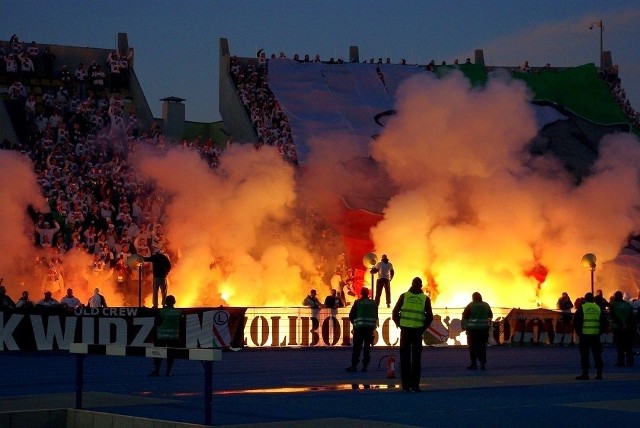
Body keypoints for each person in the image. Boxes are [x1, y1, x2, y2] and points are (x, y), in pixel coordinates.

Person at [392, 277, 433, 392]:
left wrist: (399, 324)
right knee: (416, 359)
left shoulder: (404, 296)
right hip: (417, 332)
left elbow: (395, 312)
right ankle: (415, 385)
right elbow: (429, 317)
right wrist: (422, 328)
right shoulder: (425, 299)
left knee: (404, 358)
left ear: (411, 284)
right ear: (421, 286)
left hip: (405, 331)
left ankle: (405, 385)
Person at [573, 292, 606, 380]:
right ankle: (599, 374)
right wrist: (599, 332)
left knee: (584, 355)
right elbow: (604, 322)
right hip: (595, 335)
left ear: (585, 299)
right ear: (593, 299)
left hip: (585, 335)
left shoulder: (582, 307)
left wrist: (579, 333)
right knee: (597, 354)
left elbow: (576, 321)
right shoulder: (598, 308)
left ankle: (585, 374)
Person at [346, 287, 378, 372]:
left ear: (361, 293)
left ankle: (354, 366)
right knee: (367, 349)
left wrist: (355, 323)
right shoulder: (373, 303)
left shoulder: (358, 302)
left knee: (357, 348)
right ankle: (365, 367)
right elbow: (375, 316)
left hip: (359, 329)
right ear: (368, 294)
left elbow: (351, 315)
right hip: (369, 329)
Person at [150, 295, 181, 377]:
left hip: (161, 337)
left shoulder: (161, 312)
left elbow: (157, 323)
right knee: (171, 355)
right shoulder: (178, 312)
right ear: (174, 302)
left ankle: (157, 371)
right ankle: (168, 371)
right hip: (173, 337)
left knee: (158, 354)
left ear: (165, 302)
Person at [462, 292, 493, 370]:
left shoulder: (471, 305)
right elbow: (490, 315)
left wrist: (464, 326)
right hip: (483, 330)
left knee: (473, 348)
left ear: (473, 298)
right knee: (482, 347)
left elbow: (465, 316)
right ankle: (482, 364)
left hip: (472, 331)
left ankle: (474, 364)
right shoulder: (486, 305)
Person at [609, 290, 635, 367]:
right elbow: (631, 317)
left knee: (619, 346)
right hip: (627, 328)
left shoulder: (613, 305)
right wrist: (627, 324)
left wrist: (620, 324)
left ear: (616, 297)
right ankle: (630, 362)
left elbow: (613, 316)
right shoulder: (628, 305)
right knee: (628, 346)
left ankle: (621, 362)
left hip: (618, 328)